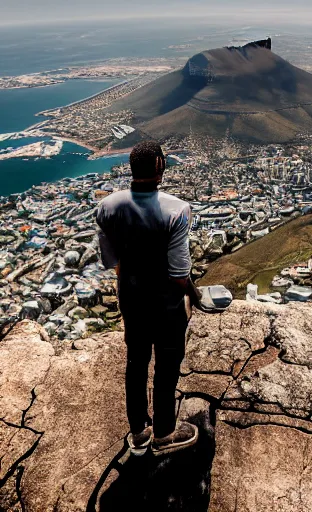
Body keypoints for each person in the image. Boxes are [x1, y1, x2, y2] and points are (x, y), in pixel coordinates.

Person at [96, 141, 200, 457]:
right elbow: (180, 271)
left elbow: (109, 259)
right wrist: (194, 294)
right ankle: (165, 433)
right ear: (160, 168)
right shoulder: (177, 209)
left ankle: (139, 434)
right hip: (166, 305)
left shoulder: (107, 207)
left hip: (131, 299)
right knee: (167, 366)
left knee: (136, 362)